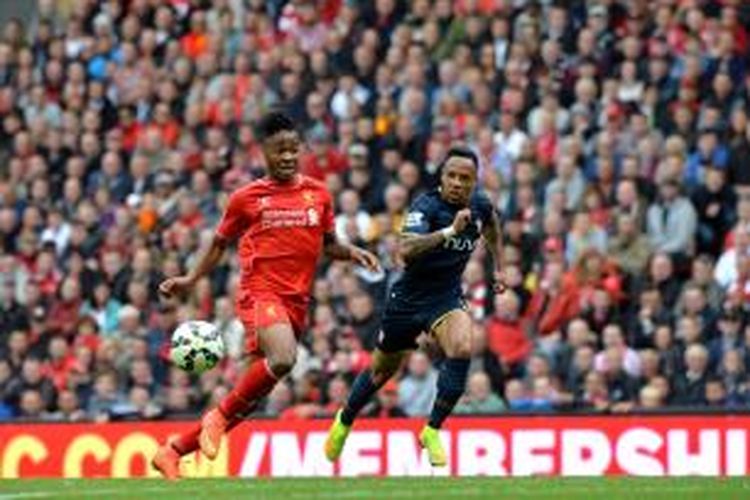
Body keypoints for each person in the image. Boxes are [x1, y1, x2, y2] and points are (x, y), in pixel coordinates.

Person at [150, 111, 379, 480]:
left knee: (250, 395)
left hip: (296, 301)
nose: (288, 157)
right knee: (285, 358)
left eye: (293, 149)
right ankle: (217, 419)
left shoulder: (318, 194)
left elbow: (328, 245)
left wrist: (352, 252)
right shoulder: (246, 198)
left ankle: (173, 451)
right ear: (263, 152)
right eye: (279, 151)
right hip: (261, 293)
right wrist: (191, 279)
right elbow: (218, 244)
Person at [324, 145, 504, 466]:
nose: (458, 183)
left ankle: (432, 429)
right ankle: (345, 419)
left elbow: (492, 226)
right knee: (381, 373)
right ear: (442, 177)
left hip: (445, 296)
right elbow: (404, 251)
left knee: (463, 346)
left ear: (475, 181)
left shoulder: (480, 205)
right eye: (451, 176)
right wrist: (449, 231)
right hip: (407, 299)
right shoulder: (426, 206)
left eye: (465, 178)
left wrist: (499, 267)